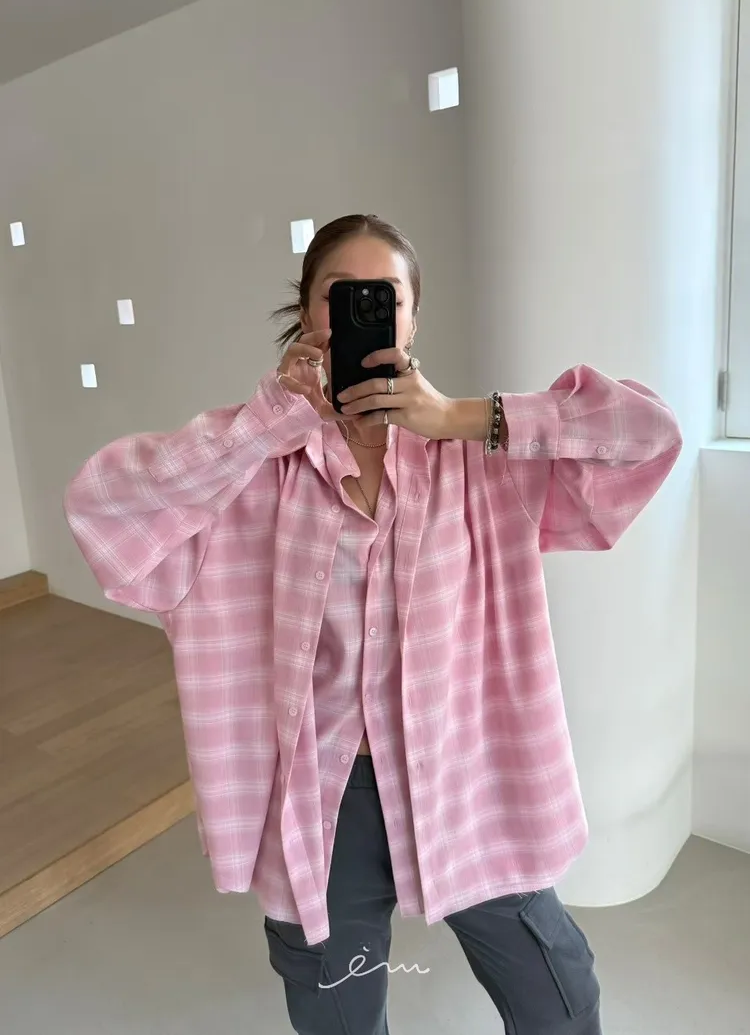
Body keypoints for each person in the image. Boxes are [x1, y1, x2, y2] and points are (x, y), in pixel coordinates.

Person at [64, 214, 682, 1035]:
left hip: (469, 773)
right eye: (339, 294)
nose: (360, 309)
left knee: (557, 995)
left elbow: (649, 435)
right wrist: (266, 422)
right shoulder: (251, 469)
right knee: (338, 1019)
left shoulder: (478, 459)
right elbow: (104, 509)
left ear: (410, 319)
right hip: (326, 800)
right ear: (308, 312)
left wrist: (464, 417)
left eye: (384, 295)